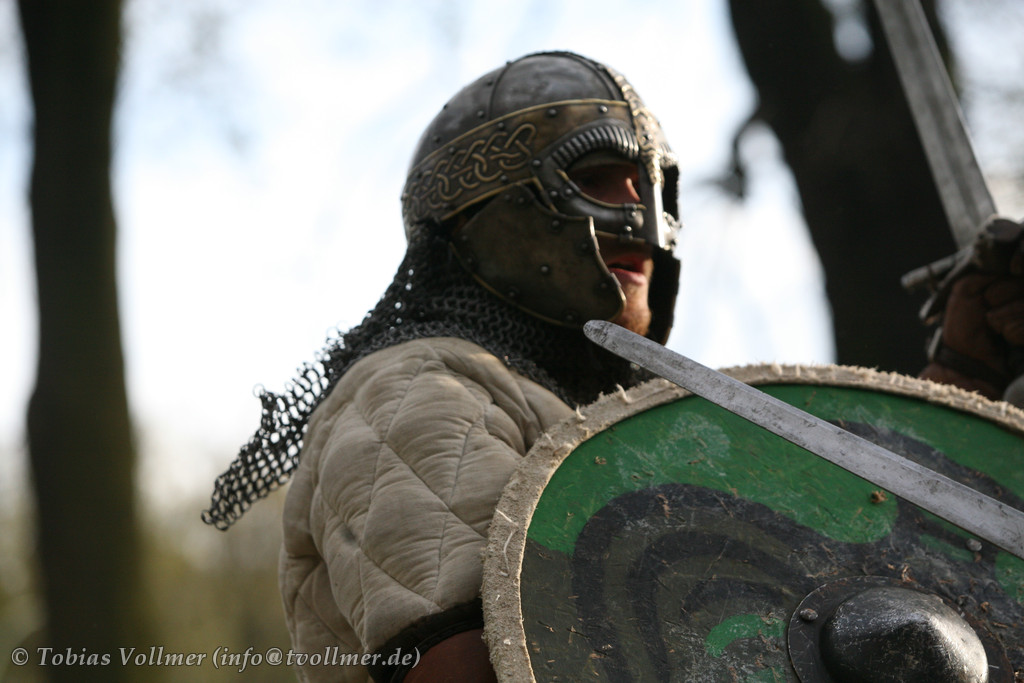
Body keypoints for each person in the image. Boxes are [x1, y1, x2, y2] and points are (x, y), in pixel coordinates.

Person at [203, 51, 1024, 682]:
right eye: (601, 179)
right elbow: (477, 667)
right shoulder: (416, 390)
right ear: (483, 212)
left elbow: (817, 589)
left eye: (656, 189)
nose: (644, 217)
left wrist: (964, 375)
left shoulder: (601, 417)